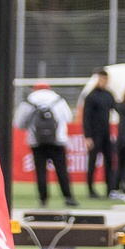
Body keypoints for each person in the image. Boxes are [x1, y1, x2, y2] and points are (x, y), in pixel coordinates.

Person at [19, 79, 75, 207]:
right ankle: (68, 197)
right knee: (61, 169)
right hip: (58, 140)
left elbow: (19, 122)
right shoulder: (58, 100)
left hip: (37, 141)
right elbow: (69, 117)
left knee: (40, 171)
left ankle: (43, 199)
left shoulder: (29, 100)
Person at [80, 70, 119, 197]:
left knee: (109, 161)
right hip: (94, 133)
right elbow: (86, 117)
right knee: (92, 162)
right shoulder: (91, 96)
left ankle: (110, 189)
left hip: (106, 133)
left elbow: (117, 108)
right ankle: (90, 189)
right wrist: (88, 136)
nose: (104, 82)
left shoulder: (108, 95)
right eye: (102, 79)